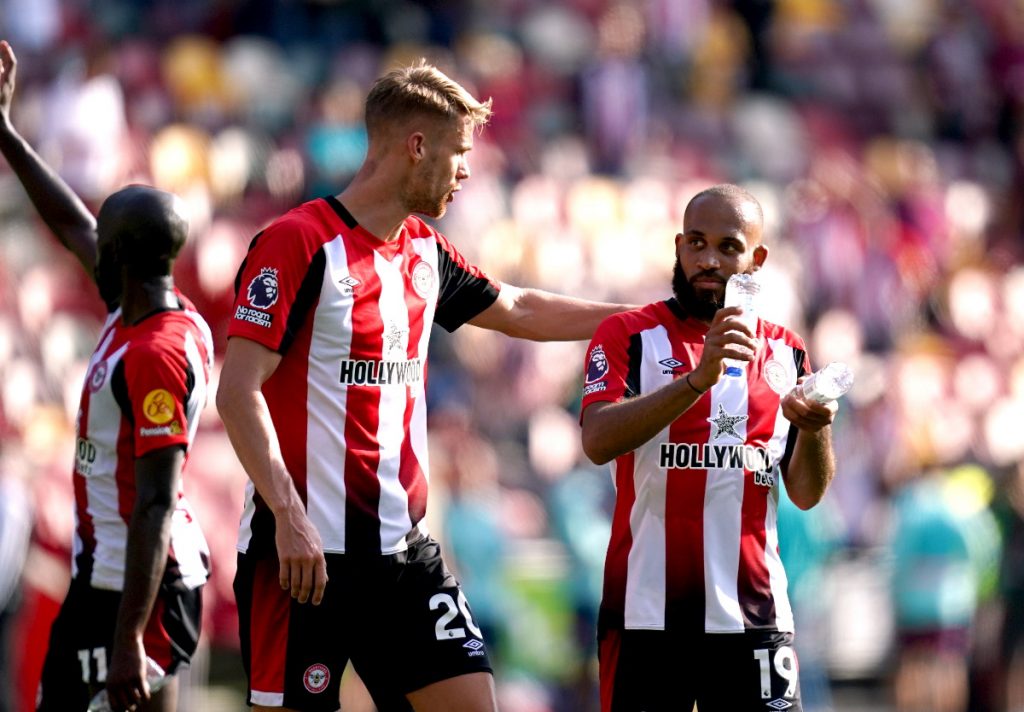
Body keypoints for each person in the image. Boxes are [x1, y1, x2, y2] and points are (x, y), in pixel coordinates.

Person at [215, 59, 631, 712]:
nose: (467, 171)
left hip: (401, 557)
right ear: (416, 147)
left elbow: (516, 308)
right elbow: (237, 392)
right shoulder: (297, 243)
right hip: (300, 560)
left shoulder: (424, 253)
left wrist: (640, 319)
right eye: (460, 152)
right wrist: (290, 517)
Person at [0, 41, 212, 712]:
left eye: (105, 236)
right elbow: (70, 223)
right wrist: (5, 134)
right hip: (113, 576)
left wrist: (128, 639)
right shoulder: (148, 300)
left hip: (133, 586)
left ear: (118, 256)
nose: (91, 240)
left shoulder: (154, 354)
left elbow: (154, 500)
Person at [579, 184, 838, 712]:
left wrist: (814, 428)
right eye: (696, 243)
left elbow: (807, 494)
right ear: (678, 247)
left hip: (755, 615)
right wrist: (698, 379)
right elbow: (598, 439)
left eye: (728, 246)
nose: (708, 260)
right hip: (646, 613)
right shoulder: (628, 334)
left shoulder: (786, 351)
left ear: (756, 259)